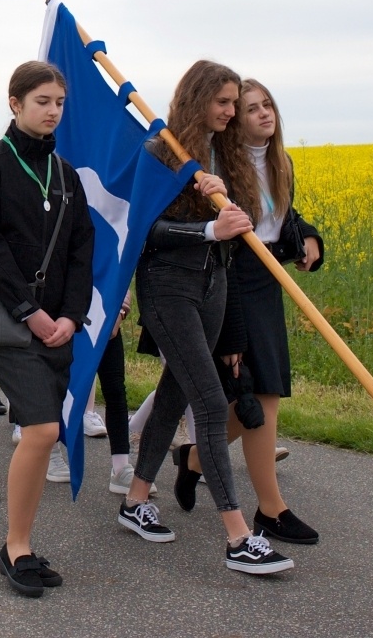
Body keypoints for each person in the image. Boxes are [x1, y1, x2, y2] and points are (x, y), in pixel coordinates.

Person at [116, 60, 294, 576]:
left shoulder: (228, 154)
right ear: (198, 99)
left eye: (235, 102)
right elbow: (143, 230)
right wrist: (207, 230)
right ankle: (239, 537)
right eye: (223, 101)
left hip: (214, 286)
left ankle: (135, 500)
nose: (232, 111)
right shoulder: (162, 150)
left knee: (175, 392)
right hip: (168, 288)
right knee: (212, 404)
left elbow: (247, 230)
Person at [174, 78, 325, 546]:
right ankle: (270, 509)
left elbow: (281, 217)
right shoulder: (221, 168)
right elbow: (231, 241)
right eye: (251, 108)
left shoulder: (282, 162)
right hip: (233, 281)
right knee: (262, 395)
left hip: (268, 282)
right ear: (235, 122)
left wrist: (310, 236)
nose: (263, 113)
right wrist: (233, 332)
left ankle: (194, 459)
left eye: (267, 105)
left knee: (260, 397)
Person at [0, 61, 96, 596]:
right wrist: (31, 311)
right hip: (13, 325)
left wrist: (70, 315)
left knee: (44, 438)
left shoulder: (65, 174)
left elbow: (82, 248)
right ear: (15, 103)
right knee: (41, 430)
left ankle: (22, 540)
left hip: (57, 325)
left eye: (59, 102)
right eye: (42, 101)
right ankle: (15, 545)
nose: (53, 111)